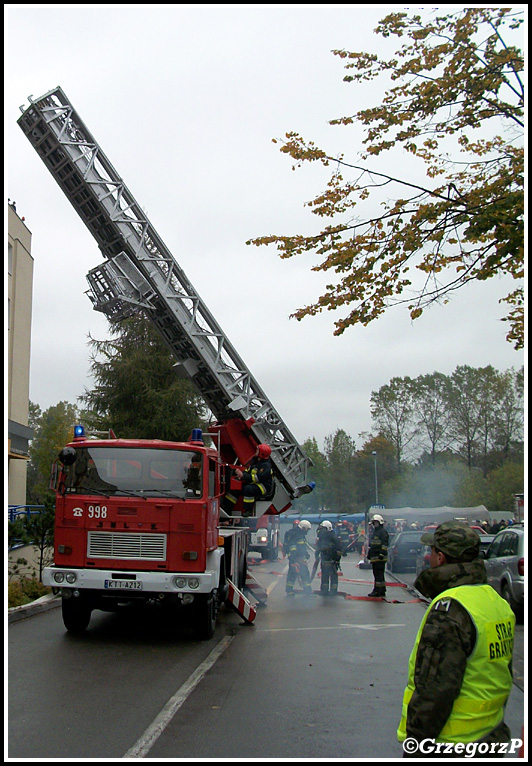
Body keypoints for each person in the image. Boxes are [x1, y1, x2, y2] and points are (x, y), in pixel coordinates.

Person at [397, 521, 515, 758]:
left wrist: (417, 744)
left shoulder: (449, 609)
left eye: (431, 552)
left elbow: (435, 689)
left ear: (440, 558)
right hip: (489, 736)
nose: (429, 557)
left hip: (449, 744)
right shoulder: (495, 602)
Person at [222, 443, 274, 517]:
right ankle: (226, 508)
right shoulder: (255, 462)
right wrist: (240, 474)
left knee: (248, 489)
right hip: (255, 484)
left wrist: (244, 476)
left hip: (263, 487)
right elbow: (248, 471)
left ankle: (249, 510)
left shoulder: (265, 466)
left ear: (261, 453)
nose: (256, 451)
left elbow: (257, 478)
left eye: (257, 450)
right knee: (236, 489)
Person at [313, 520, 344, 596]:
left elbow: (339, 550)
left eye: (323, 529)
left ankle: (333, 591)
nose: (321, 531)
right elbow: (318, 548)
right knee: (324, 576)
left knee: (333, 576)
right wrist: (317, 555)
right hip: (324, 560)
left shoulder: (334, 538)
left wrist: (337, 560)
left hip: (332, 561)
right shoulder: (322, 538)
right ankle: (324, 590)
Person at [285, 519, 313, 596]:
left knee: (297, 574)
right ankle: (306, 591)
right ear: (304, 528)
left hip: (298, 557)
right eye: (307, 529)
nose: (307, 531)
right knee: (297, 574)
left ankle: (305, 590)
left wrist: (306, 554)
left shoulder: (300, 534)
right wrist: (293, 560)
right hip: (296, 558)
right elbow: (293, 547)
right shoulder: (296, 534)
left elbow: (302, 546)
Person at [367, 514, 389, 597]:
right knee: (379, 574)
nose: (374, 524)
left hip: (380, 557)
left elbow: (385, 543)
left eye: (375, 522)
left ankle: (377, 590)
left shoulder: (382, 532)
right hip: (374, 557)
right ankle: (382, 589)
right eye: (373, 522)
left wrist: (381, 553)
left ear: (380, 522)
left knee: (378, 574)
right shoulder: (375, 531)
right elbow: (372, 544)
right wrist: (369, 554)